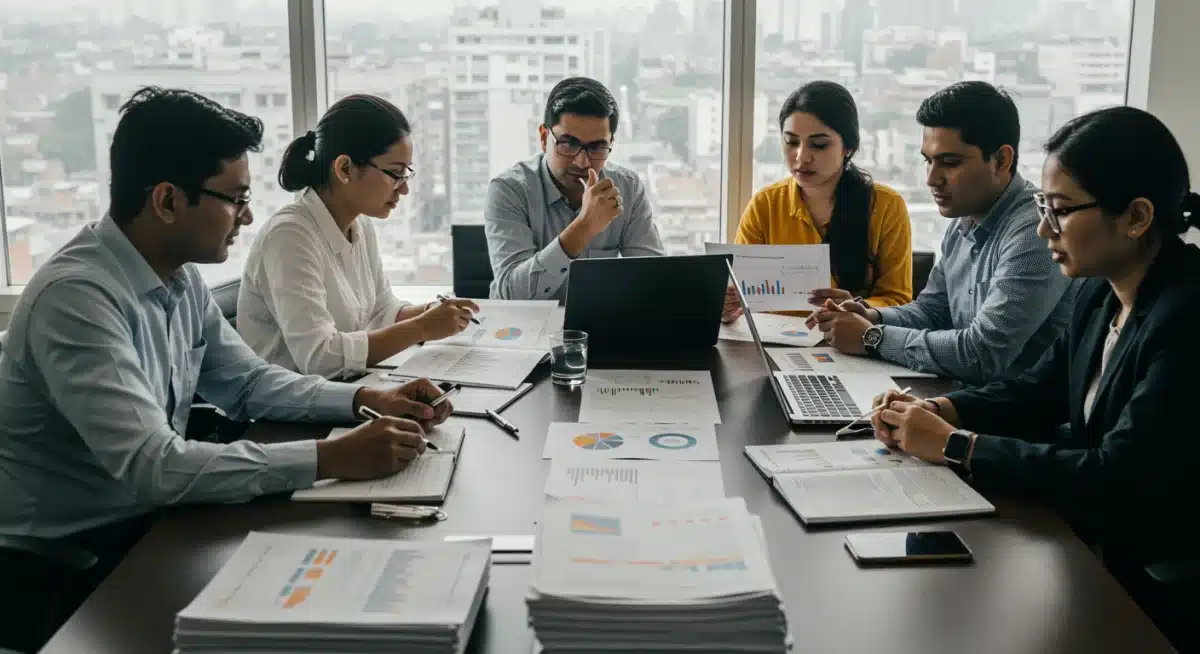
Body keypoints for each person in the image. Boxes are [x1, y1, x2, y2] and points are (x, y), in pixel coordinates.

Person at [0, 87, 452, 651]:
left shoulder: (178, 276)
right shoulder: (78, 300)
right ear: (167, 201)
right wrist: (332, 456)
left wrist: (363, 402)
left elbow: (248, 382)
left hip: (155, 525)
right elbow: (153, 466)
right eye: (235, 199)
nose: (249, 216)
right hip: (72, 562)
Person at [869, 106, 1200, 651]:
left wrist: (958, 446)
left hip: (1150, 583)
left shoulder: (1188, 318)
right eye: (1044, 206)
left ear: (1137, 218)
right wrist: (946, 411)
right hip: (1090, 545)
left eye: (1062, 210)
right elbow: (1037, 390)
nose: (1044, 226)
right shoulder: (1101, 289)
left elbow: (1115, 477)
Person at [813, 81, 1073, 386]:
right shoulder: (963, 219)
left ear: (1002, 160)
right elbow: (933, 311)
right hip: (959, 398)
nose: (932, 179)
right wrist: (872, 316)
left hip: (1014, 420)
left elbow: (981, 354)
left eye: (950, 163)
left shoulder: (1035, 232)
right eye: (928, 160)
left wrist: (871, 337)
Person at [237, 95, 478, 378]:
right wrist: (423, 327)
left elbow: (381, 310)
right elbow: (319, 358)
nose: (403, 190)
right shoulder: (289, 236)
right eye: (395, 173)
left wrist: (432, 312)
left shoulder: (359, 224)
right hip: (289, 412)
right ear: (345, 169)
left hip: (342, 392)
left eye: (406, 174)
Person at [722, 81, 912, 323]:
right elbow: (742, 293)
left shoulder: (886, 206)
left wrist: (858, 308)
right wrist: (727, 308)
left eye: (819, 145)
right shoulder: (765, 204)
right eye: (791, 142)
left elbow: (898, 300)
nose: (802, 157)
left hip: (849, 343)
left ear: (849, 147)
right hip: (775, 343)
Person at [486, 76, 665, 302]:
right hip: (523, 331)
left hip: (598, 329)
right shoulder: (509, 190)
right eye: (569, 144)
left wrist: (710, 298)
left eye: (597, 147)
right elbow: (511, 295)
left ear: (611, 143)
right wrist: (584, 227)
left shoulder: (627, 188)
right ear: (544, 138)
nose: (582, 162)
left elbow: (653, 278)